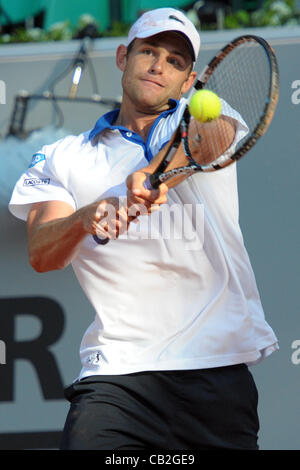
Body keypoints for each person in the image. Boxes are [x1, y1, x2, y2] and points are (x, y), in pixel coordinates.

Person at [9, 8, 278, 450]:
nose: (158, 65)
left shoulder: (205, 112)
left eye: (175, 61)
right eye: (148, 51)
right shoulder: (63, 156)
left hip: (215, 369)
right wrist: (83, 218)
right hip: (115, 377)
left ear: (189, 81)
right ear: (122, 56)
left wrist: (153, 175)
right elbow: (42, 251)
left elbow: (209, 137)